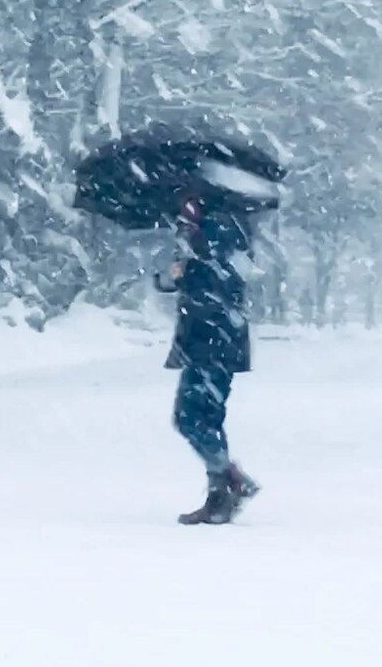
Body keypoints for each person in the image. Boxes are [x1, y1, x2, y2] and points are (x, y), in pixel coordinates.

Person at [157, 189, 261, 525]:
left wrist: (191, 257)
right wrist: (175, 276)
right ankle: (221, 496)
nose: (181, 209)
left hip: (214, 339)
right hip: (206, 337)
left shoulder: (221, 228)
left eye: (186, 201)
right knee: (205, 418)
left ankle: (229, 478)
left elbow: (221, 279)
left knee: (189, 417)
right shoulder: (204, 231)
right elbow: (198, 279)